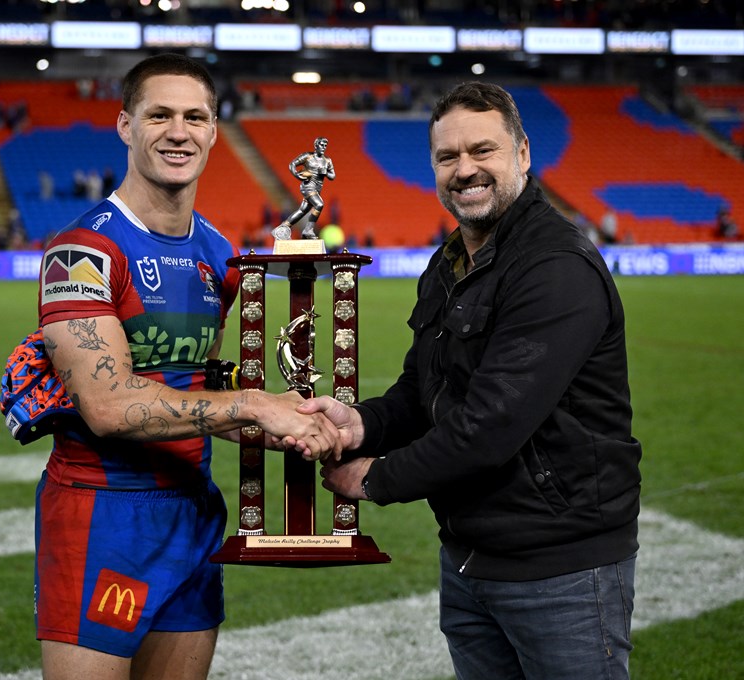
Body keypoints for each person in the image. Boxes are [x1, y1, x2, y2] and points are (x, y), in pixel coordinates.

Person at [296, 81, 641, 680]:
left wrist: (376, 477)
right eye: (448, 156)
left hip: (560, 570)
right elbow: (421, 391)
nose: (465, 170)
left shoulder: (555, 267)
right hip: (468, 562)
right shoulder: (449, 261)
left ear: (523, 154)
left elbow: (489, 427)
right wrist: (361, 424)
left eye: (483, 150)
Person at [33, 53, 340, 680]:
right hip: (102, 514)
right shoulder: (80, 251)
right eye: (160, 116)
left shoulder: (217, 252)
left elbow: (199, 392)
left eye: (195, 117)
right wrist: (254, 405)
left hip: (193, 512)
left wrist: (293, 425)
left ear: (214, 130)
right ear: (125, 125)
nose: (179, 132)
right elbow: (108, 407)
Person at [271, 137, 335, 240]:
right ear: (316, 145)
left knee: (303, 210)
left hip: (317, 189)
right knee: (319, 204)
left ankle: (283, 227)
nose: (323, 147)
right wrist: (297, 175)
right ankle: (308, 230)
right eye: (321, 145)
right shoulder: (308, 156)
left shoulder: (327, 160)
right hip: (308, 186)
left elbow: (333, 176)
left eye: (325, 146)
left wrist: (326, 173)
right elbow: (292, 164)